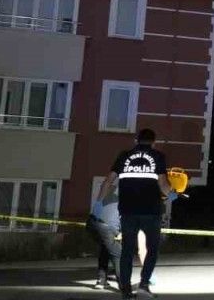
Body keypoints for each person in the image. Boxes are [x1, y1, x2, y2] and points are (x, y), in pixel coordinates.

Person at [96, 128, 170, 299]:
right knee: (152, 249)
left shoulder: (124, 156)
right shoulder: (158, 156)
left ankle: (126, 290)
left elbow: (108, 181)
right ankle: (144, 285)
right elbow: (163, 184)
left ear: (136, 140)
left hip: (128, 211)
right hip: (151, 211)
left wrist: (98, 203)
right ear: (154, 142)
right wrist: (172, 194)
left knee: (127, 251)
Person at [88, 185, 121, 290]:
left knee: (105, 250)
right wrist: (118, 233)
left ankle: (101, 281)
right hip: (105, 226)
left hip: (91, 224)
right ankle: (123, 285)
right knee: (118, 254)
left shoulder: (111, 194)